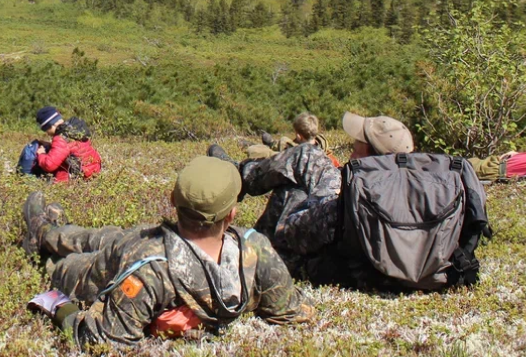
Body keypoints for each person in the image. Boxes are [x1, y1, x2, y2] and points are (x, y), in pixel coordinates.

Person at [21, 156, 312, 346]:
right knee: (109, 236)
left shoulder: (149, 272)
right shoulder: (255, 248)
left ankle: (43, 237)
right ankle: (53, 230)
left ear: (173, 199)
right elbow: (289, 310)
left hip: (114, 266)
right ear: (232, 214)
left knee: (64, 265)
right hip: (145, 242)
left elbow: (103, 341)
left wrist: (62, 308)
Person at [229, 112, 414, 282]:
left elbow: (295, 233)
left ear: (367, 152)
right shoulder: (419, 198)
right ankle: (240, 174)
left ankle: (235, 177)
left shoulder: (352, 204)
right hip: (367, 258)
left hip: (311, 262)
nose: (352, 151)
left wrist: (307, 202)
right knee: (306, 159)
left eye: (356, 146)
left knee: (298, 175)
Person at [32, 106, 102, 183]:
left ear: (51, 125)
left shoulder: (61, 138)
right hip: (94, 170)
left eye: (45, 129)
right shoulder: (74, 129)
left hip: (80, 178)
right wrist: (51, 145)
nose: (47, 133)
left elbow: (49, 165)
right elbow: (70, 149)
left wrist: (41, 154)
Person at [243, 112, 339, 166]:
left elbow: (253, 151)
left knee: (282, 142)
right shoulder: (328, 157)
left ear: (298, 136)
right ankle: (272, 144)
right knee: (284, 141)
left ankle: (271, 144)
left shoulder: (292, 158)